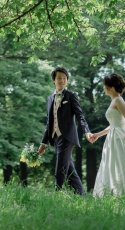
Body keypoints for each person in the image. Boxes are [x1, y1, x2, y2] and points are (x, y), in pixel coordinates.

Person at [38, 66, 94, 195]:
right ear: (54, 80)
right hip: (55, 138)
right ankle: (82, 197)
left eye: (64, 78)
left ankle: (57, 198)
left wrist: (87, 131)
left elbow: (80, 116)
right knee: (70, 171)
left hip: (67, 137)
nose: (62, 81)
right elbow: (49, 123)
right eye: (59, 78)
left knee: (59, 171)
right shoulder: (50, 99)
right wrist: (43, 143)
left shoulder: (71, 95)